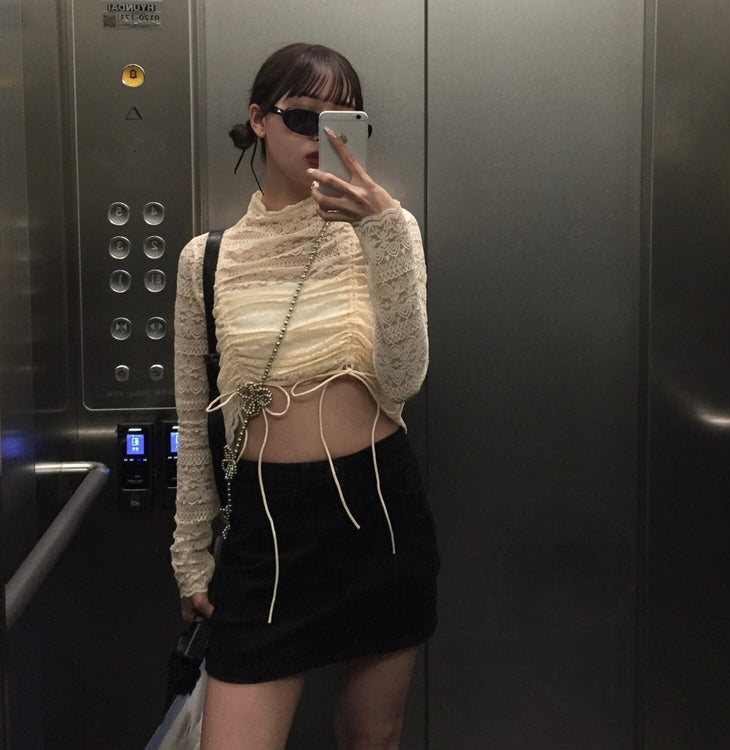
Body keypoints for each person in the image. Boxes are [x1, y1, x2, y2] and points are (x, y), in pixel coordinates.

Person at [170, 42, 439, 750]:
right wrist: (190, 553)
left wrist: (382, 230)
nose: (321, 136)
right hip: (266, 526)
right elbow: (195, 421)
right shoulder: (207, 260)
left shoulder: (389, 230)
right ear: (259, 120)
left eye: (342, 120)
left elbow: (405, 380)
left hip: (378, 510)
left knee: (369, 739)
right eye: (301, 117)